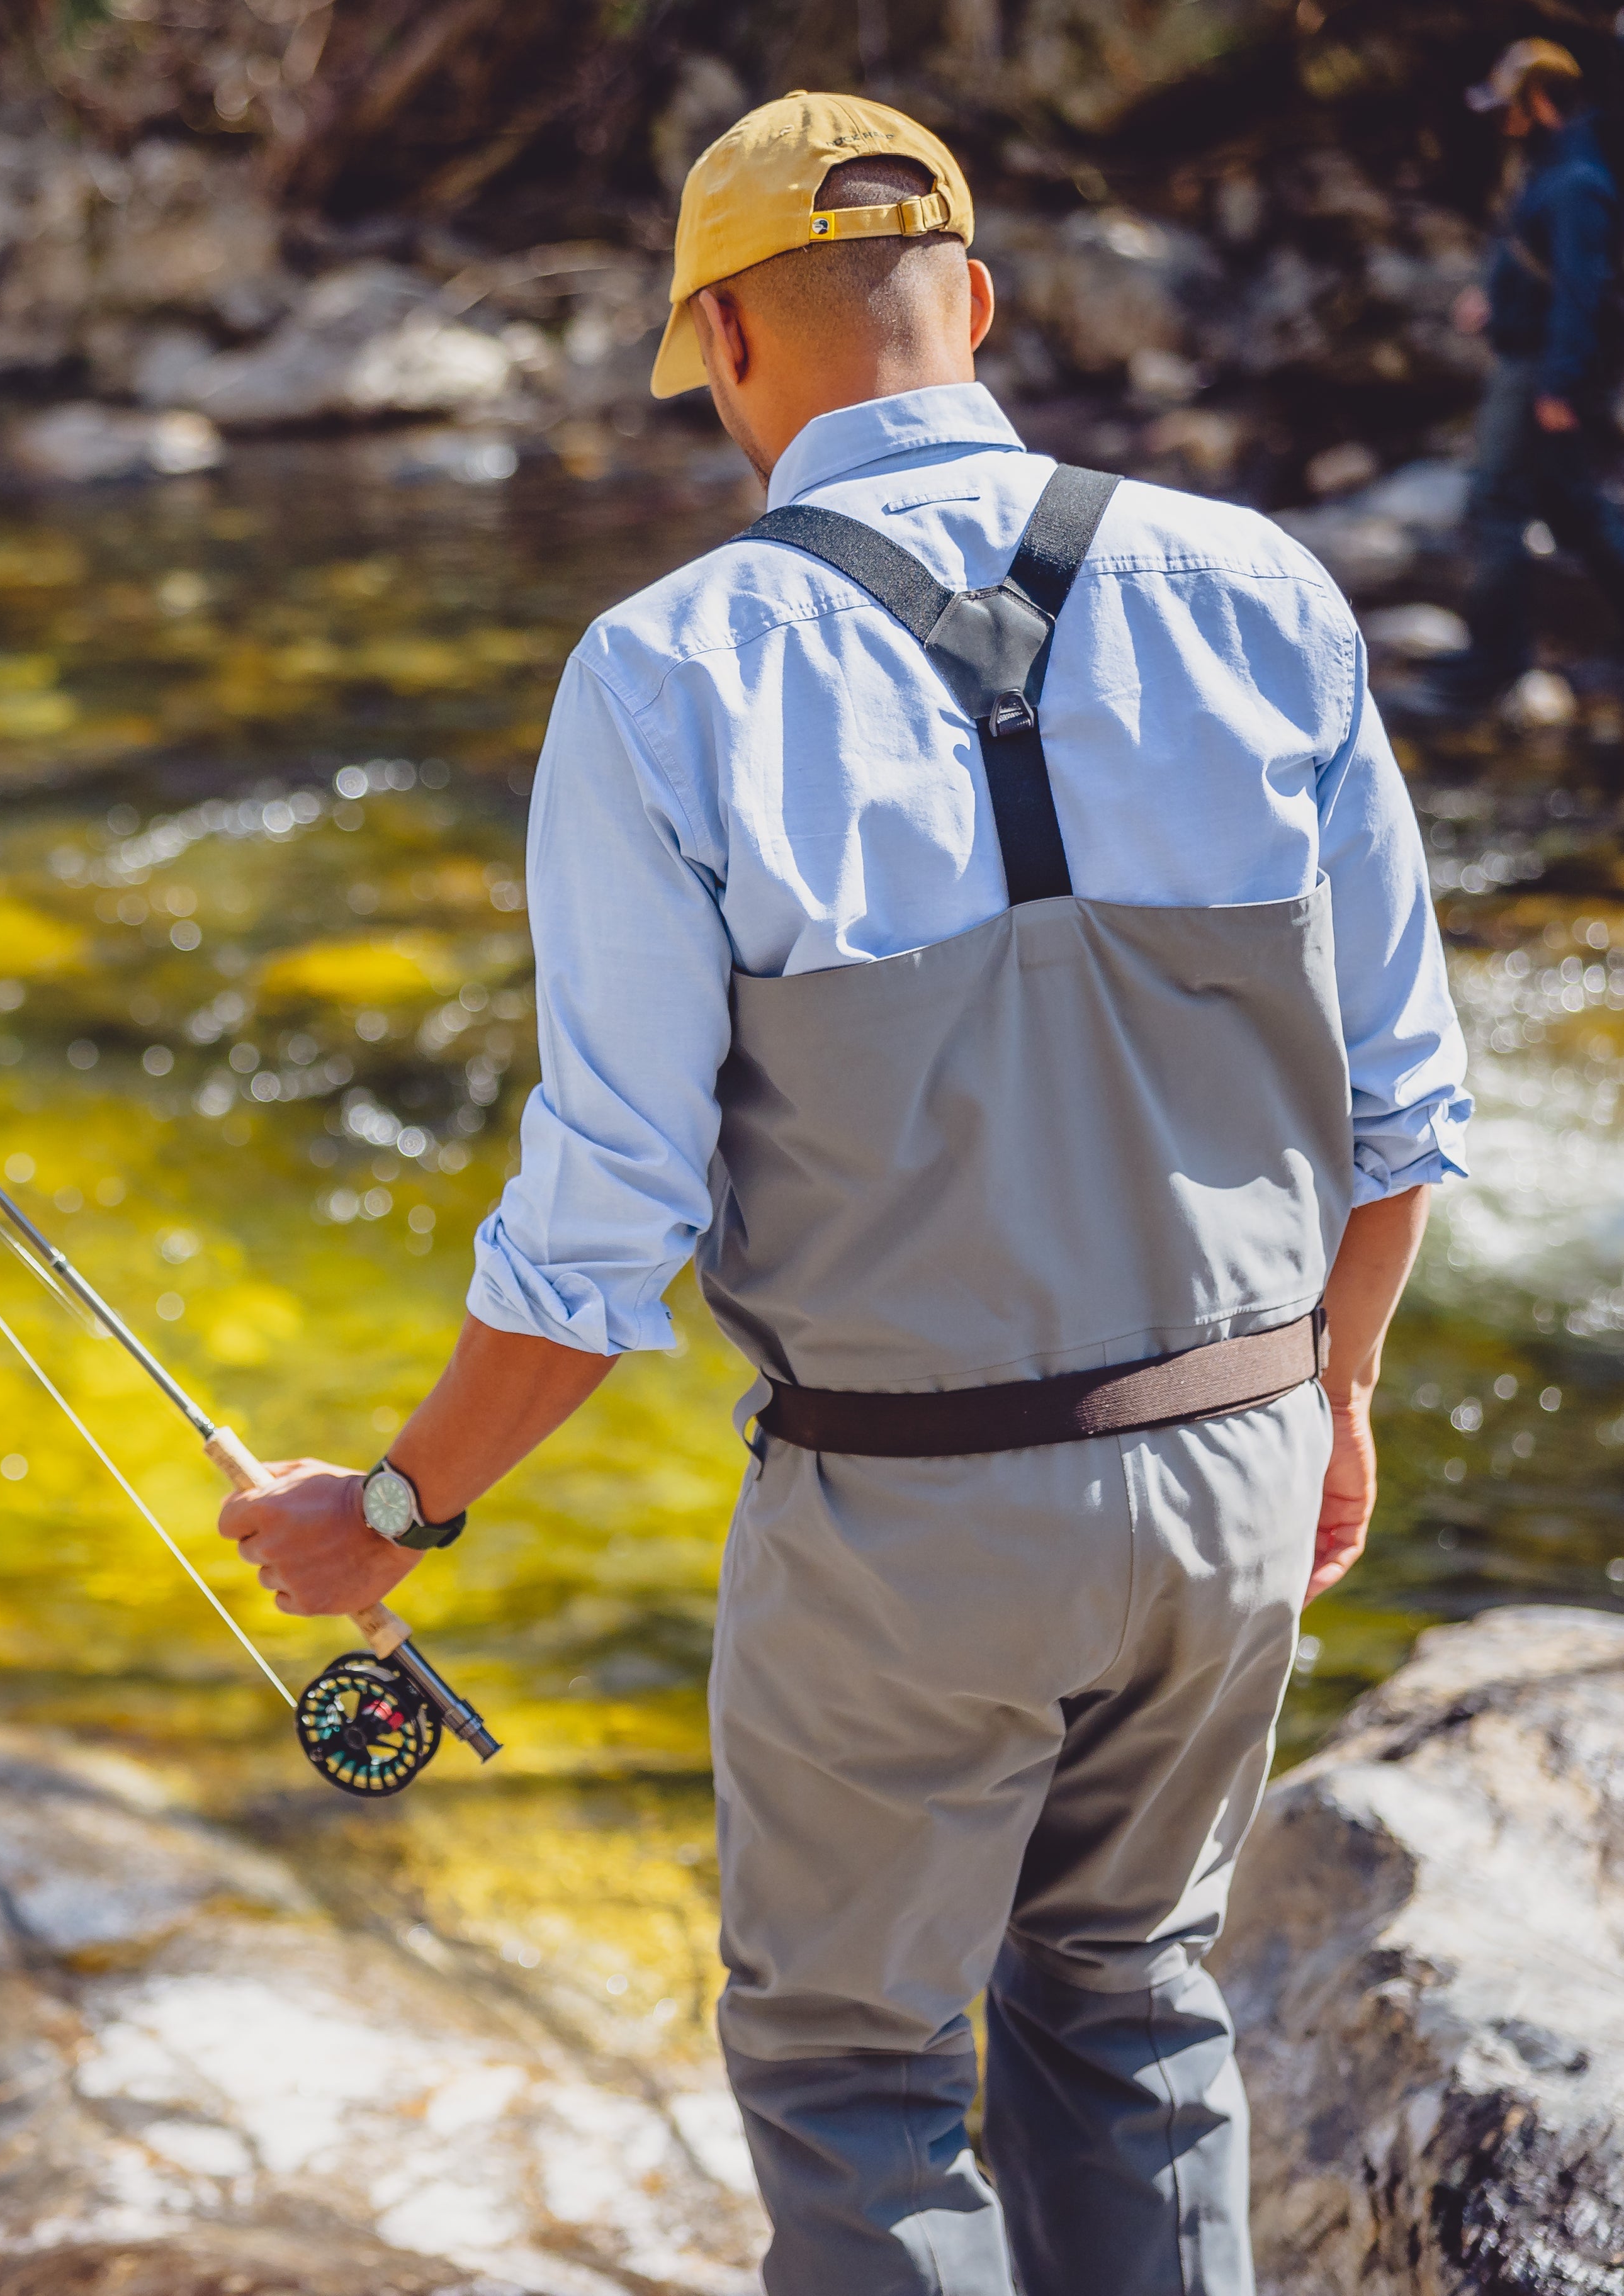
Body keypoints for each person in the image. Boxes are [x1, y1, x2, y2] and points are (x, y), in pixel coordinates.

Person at [219, 93, 1469, 2294]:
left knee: (858, 2067)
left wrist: (399, 1509)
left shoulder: (668, 670)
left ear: (718, 342)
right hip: (1242, 1461)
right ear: (974, 303)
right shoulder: (1263, 586)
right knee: (1131, 2005)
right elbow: (1402, 1105)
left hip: (911, 1519)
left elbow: (609, 1218)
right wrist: (1337, 1396)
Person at [1418, 37, 1624, 720]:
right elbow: (1535, 266)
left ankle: (1493, 664)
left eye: (1509, 105)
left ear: (1538, 102)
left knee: (1496, 504)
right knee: (1575, 512)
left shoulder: (1577, 184)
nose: (1499, 117)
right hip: (1531, 361)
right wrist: (1493, 303)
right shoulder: (1549, 169)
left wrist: (1559, 386)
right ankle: (1499, 657)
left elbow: (1581, 292)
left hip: (1540, 373)